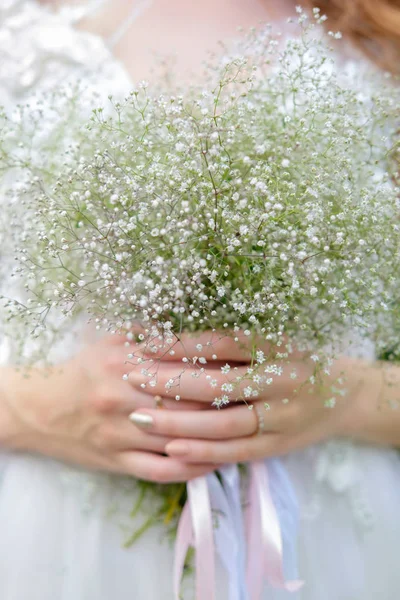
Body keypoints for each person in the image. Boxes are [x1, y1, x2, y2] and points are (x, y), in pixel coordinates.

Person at [0, 1, 399, 598]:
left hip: (327, 533)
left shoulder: (381, 42)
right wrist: (36, 407)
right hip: (65, 536)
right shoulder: (20, 39)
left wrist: (347, 398)